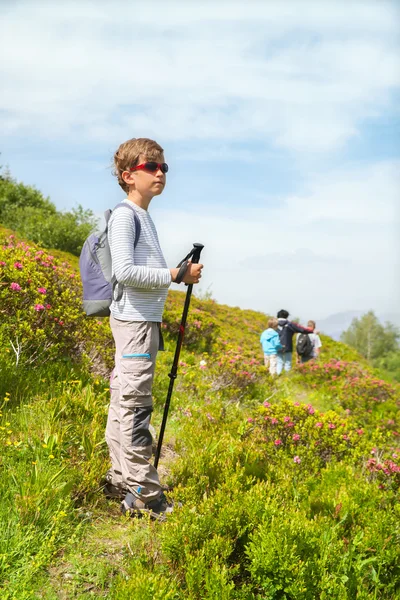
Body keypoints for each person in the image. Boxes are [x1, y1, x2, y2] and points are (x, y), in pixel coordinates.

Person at [103, 137, 203, 520]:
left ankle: (120, 479)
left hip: (139, 323)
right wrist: (177, 274)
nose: (160, 173)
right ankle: (145, 494)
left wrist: (174, 274)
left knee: (123, 400)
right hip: (135, 324)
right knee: (135, 407)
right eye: (151, 167)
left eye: (164, 168)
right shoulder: (127, 215)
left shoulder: (142, 215)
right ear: (129, 176)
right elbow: (125, 273)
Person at [276, 309, 313, 375]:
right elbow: (301, 329)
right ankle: (287, 378)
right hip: (287, 346)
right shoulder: (290, 324)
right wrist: (311, 331)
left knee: (279, 362)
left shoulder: (274, 324)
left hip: (277, 346)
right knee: (288, 363)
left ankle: (277, 377)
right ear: (286, 316)